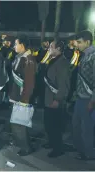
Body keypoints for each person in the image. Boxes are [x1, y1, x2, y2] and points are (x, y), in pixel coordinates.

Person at [8, 35, 36, 156]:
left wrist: (24, 100)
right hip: (16, 95)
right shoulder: (20, 57)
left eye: (16, 44)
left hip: (22, 98)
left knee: (19, 124)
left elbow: (29, 83)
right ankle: (21, 142)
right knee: (17, 123)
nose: (14, 46)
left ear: (22, 45)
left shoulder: (28, 59)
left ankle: (26, 147)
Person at [43, 40, 70, 158]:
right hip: (48, 98)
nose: (49, 49)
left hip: (55, 100)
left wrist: (58, 99)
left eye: (51, 47)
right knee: (48, 124)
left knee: (55, 126)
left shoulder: (62, 63)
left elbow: (63, 84)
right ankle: (51, 142)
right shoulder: (53, 60)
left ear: (58, 49)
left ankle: (58, 148)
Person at [72, 30, 95, 160]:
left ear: (87, 41)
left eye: (80, 42)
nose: (77, 45)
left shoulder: (93, 56)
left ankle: (88, 154)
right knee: (76, 125)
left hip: (88, 99)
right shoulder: (84, 55)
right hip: (80, 97)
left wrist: (92, 101)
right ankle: (81, 151)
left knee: (86, 128)